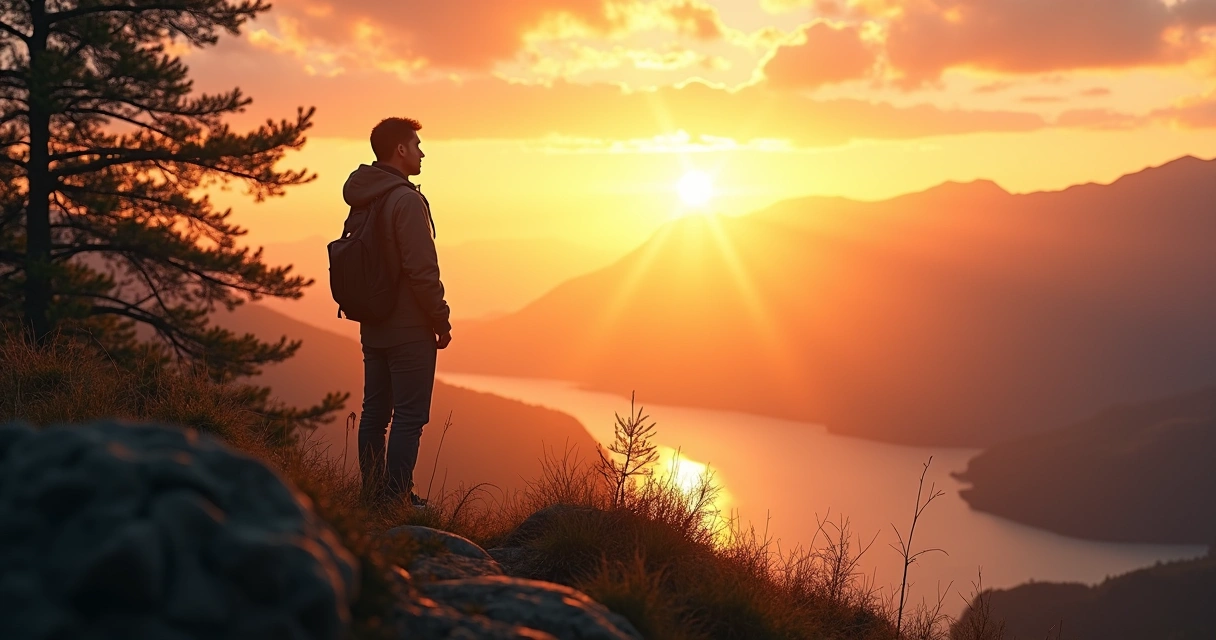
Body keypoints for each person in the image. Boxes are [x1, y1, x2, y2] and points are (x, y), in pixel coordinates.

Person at [341, 117, 452, 507]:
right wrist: (440, 317)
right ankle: (395, 499)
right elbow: (421, 270)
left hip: (373, 323)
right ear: (400, 150)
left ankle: (372, 496)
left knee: (375, 414)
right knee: (409, 416)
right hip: (408, 326)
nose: (422, 152)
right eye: (417, 144)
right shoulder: (405, 199)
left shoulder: (365, 196)